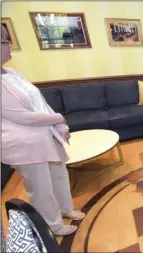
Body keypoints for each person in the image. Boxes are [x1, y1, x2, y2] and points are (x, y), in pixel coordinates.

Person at [1, 25, 85, 236]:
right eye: (4, 42)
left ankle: (67, 209)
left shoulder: (12, 73)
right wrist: (59, 117)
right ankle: (53, 226)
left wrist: (61, 125)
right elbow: (21, 116)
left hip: (49, 136)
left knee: (59, 175)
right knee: (41, 189)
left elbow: (39, 102)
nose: (9, 45)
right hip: (25, 146)